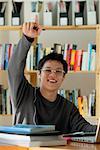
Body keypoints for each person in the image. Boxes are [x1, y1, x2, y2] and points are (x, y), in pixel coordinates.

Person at [8, 22, 97, 134]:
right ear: (39, 74)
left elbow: (84, 127)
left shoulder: (68, 107)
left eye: (58, 71)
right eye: (48, 70)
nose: (53, 75)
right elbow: (14, 69)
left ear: (63, 77)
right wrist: (27, 38)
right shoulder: (24, 94)